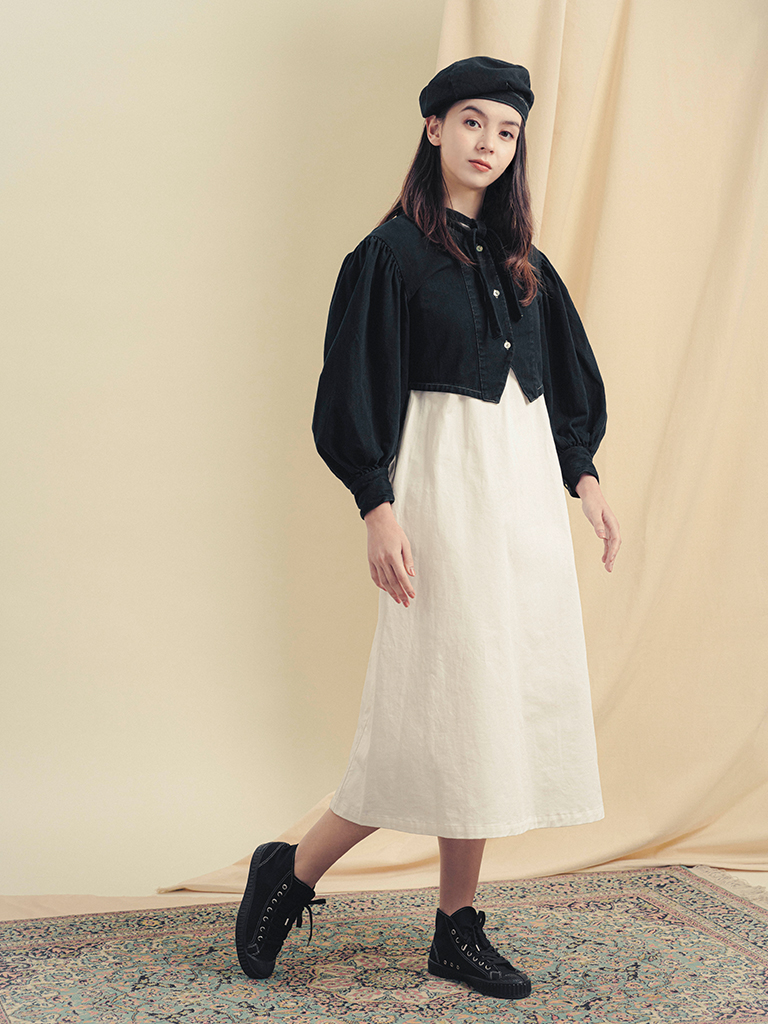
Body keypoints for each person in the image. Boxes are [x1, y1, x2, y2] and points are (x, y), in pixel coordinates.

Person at [235, 55, 621, 1001]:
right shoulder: (391, 255)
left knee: (487, 711)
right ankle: (292, 870)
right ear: (434, 126)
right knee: (432, 708)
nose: (489, 143)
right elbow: (351, 389)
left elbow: (562, 381)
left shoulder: (525, 263)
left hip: (522, 507)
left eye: (507, 130)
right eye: (473, 122)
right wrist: (377, 505)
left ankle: (456, 926)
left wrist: (585, 476)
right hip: (444, 500)